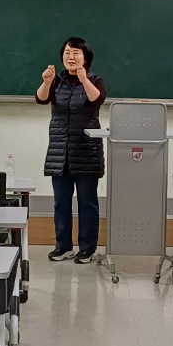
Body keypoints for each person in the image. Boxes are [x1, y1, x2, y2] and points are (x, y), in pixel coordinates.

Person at [36, 36, 107, 264]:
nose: (71, 57)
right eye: (67, 53)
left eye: (76, 53)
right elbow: (41, 99)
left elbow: (97, 99)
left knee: (87, 202)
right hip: (60, 152)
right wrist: (47, 82)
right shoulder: (56, 81)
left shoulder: (94, 80)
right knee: (60, 202)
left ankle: (87, 248)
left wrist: (84, 79)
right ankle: (63, 246)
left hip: (86, 151)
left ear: (86, 58)